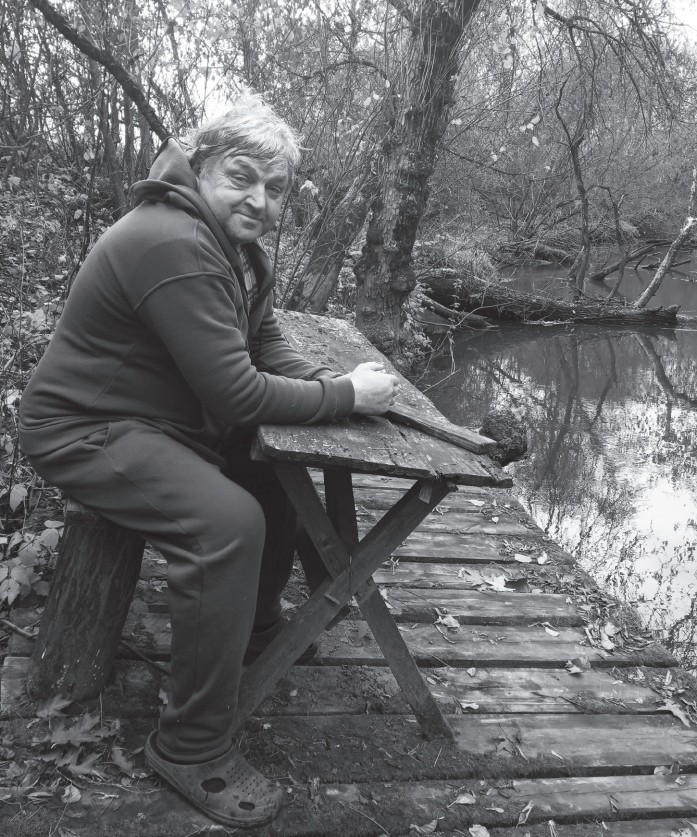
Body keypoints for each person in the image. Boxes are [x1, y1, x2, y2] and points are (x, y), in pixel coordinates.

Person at [18, 93, 398, 828]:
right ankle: (189, 745)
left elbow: (263, 341)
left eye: (275, 188)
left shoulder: (238, 248)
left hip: (158, 420)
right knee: (226, 524)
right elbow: (234, 391)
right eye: (241, 177)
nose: (259, 200)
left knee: (273, 473)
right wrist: (346, 395)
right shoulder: (172, 240)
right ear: (200, 166)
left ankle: (254, 626)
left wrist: (322, 386)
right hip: (85, 428)